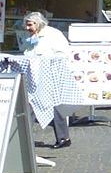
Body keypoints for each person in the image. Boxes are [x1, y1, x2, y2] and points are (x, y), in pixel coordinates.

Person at [22, 11, 73, 148]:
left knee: (46, 106)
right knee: (32, 105)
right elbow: (28, 53)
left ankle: (63, 137)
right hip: (35, 76)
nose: (27, 28)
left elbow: (63, 54)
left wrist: (47, 63)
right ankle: (62, 137)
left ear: (38, 23)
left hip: (50, 75)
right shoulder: (33, 36)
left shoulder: (53, 34)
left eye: (30, 25)